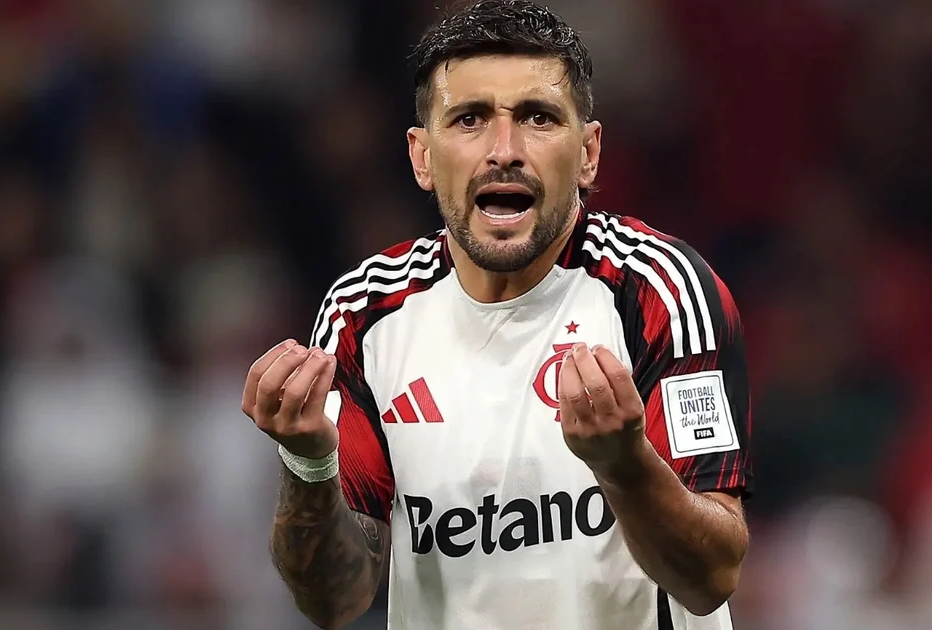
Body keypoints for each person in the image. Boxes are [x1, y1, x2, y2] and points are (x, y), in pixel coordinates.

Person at [240, 1, 752, 628]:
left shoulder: (659, 292)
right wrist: (309, 464)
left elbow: (711, 578)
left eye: (538, 117)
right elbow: (336, 600)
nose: (504, 150)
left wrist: (623, 463)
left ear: (588, 153)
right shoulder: (364, 313)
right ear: (422, 157)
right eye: (470, 119)